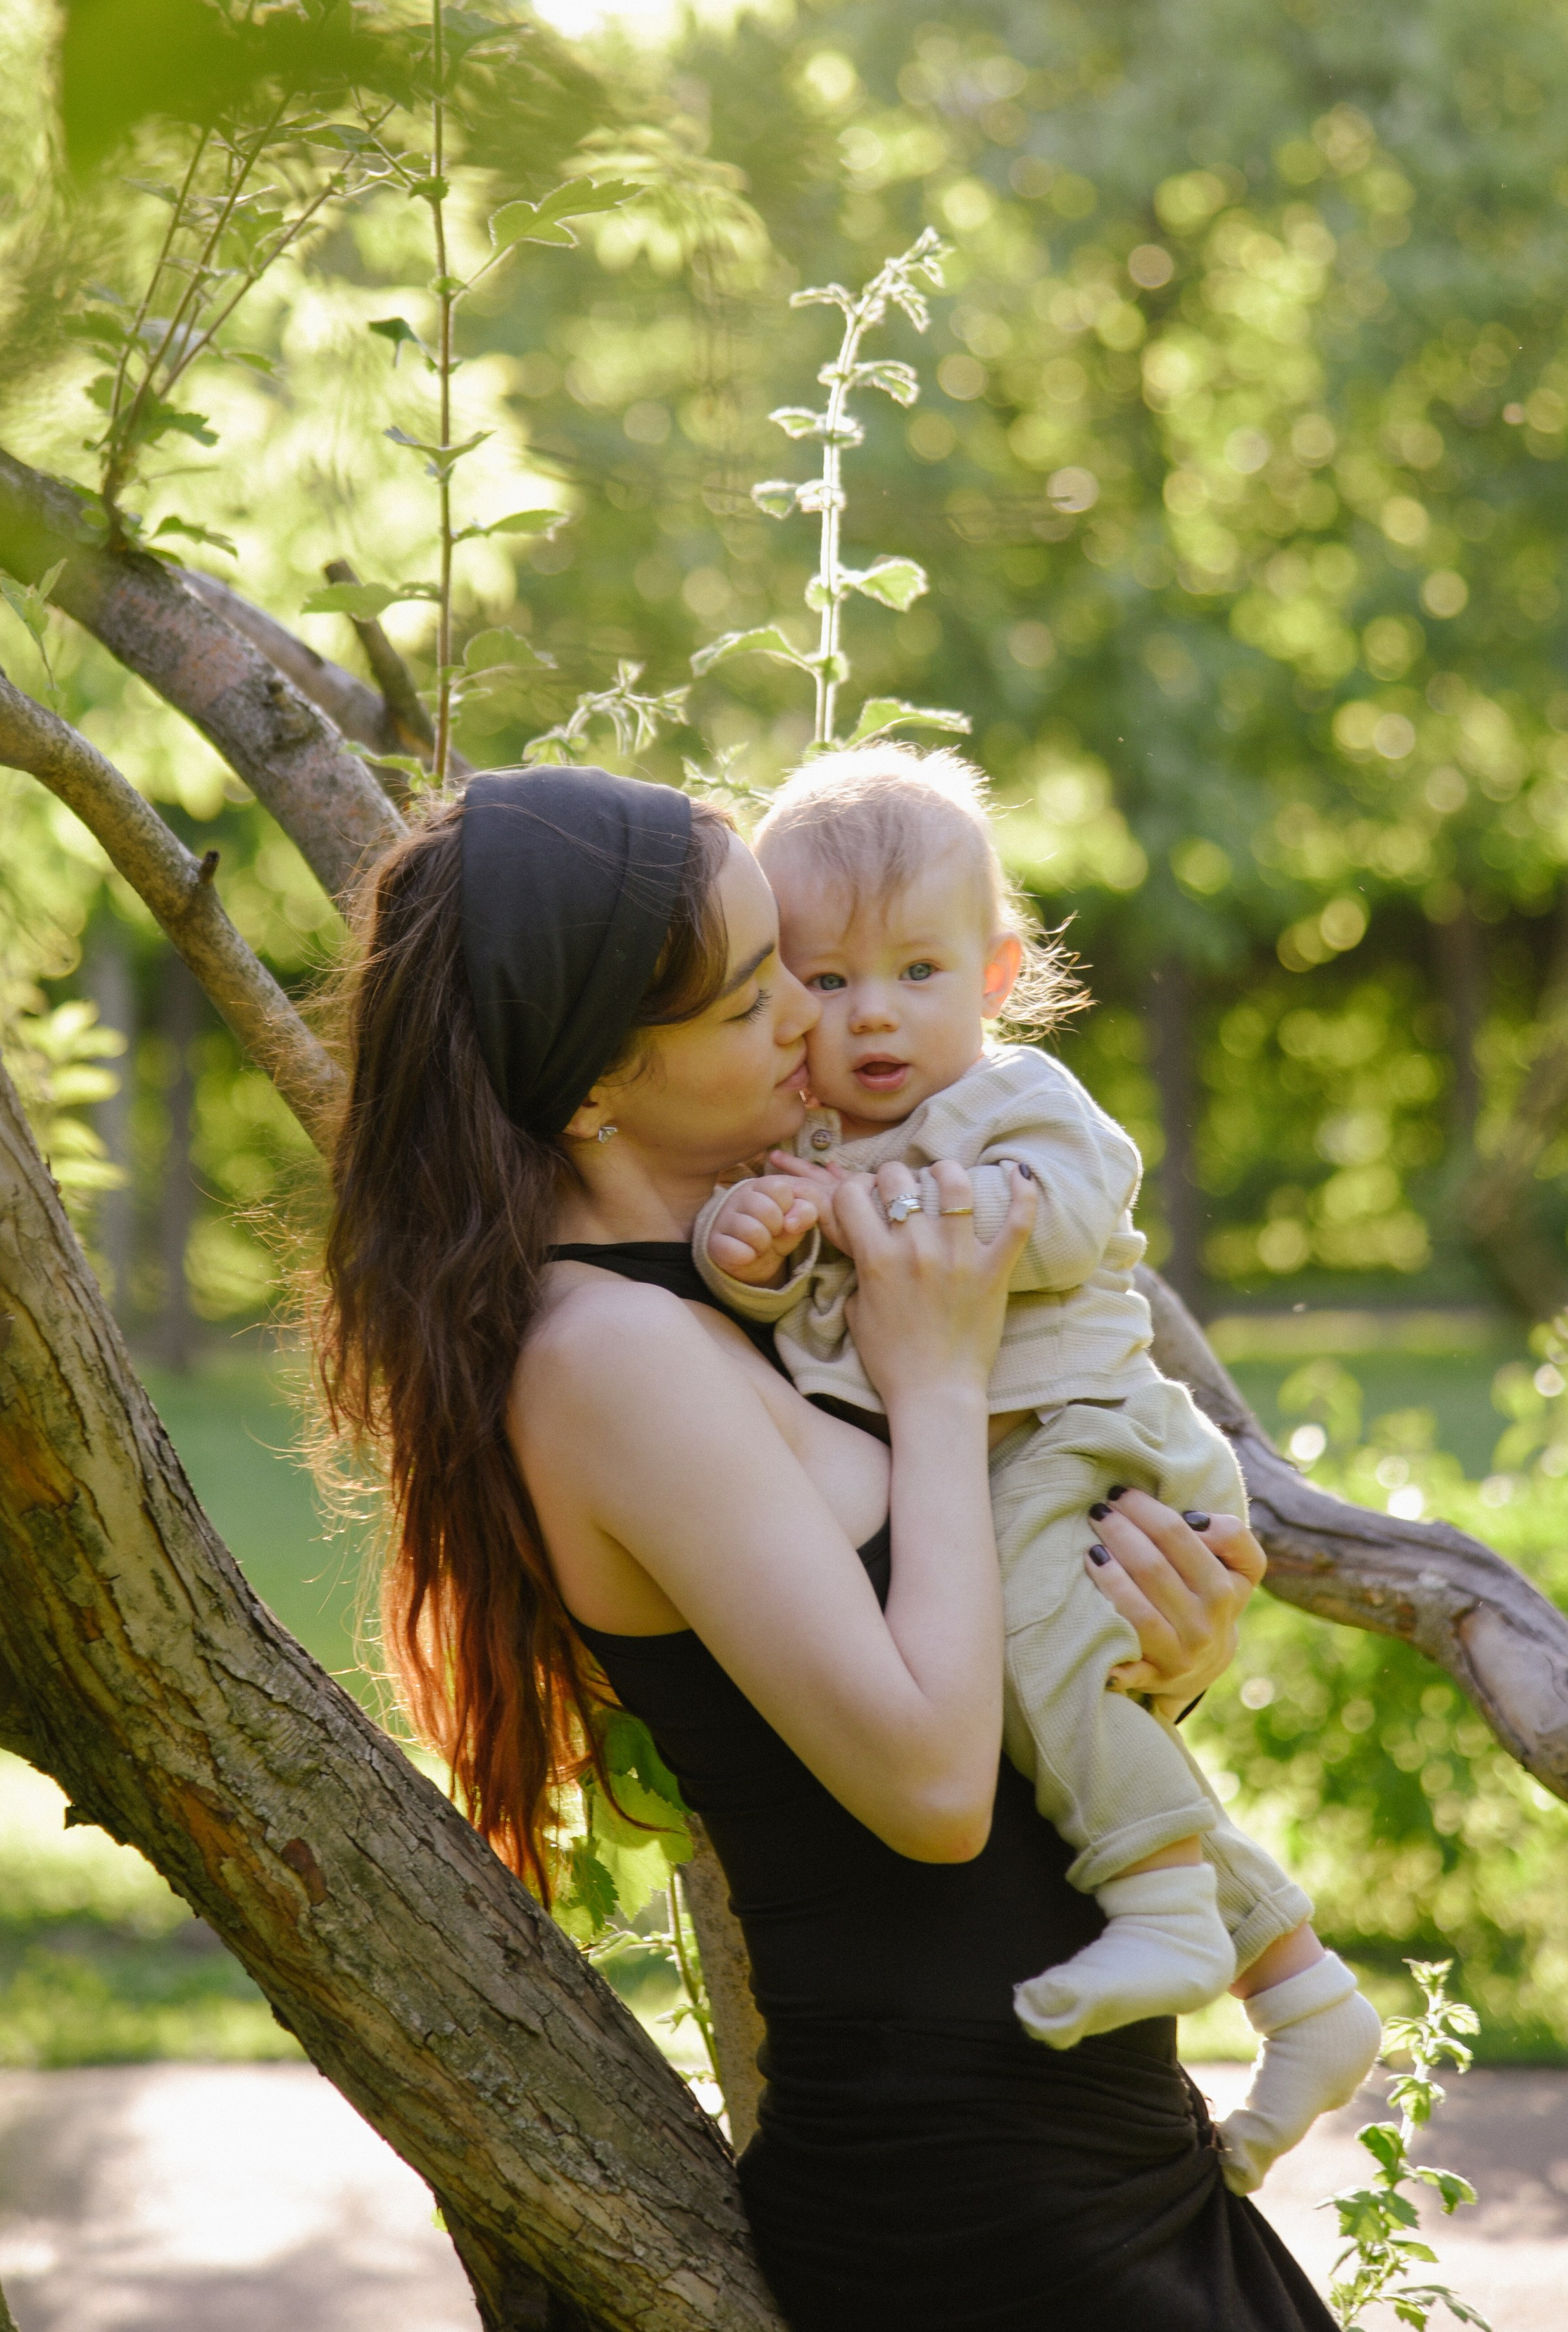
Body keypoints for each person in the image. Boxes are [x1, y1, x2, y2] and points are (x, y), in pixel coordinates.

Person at [320, 763, 1336, 2329]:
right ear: (593, 1082)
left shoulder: (752, 1281)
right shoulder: (610, 1357)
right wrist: (935, 1375)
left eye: (789, 965)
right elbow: (926, 1794)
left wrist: (1152, 1642)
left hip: (1087, 2157)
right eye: (751, 999)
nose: (811, 1018)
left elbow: (949, 1663)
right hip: (976, 2205)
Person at [690, 745, 1381, 2192]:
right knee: (1032, 1719)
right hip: (1003, 1460)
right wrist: (746, 1250)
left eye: (917, 970)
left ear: (997, 974)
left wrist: (873, 1199)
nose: (871, 1011)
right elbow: (799, 1312)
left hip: (1092, 1435)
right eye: (823, 981)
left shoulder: (1017, 1105)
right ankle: (1301, 1989)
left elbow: (1066, 1222)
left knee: (1013, 1656)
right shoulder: (807, 1140)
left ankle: (1163, 1907)